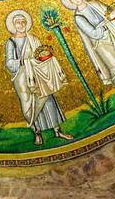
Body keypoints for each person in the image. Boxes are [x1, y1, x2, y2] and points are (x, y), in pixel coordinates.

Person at [4, 10, 72, 145]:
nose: (20, 25)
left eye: (23, 22)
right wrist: (24, 62)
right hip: (22, 78)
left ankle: (57, 130)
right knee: (29, 105)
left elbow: (41, 54)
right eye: (18, 23)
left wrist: (44, 58)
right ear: (13, 25)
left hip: (39, 75)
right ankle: (37, 133)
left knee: (49, 101)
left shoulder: (33, 39)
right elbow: (9, 63)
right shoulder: (11, 42)